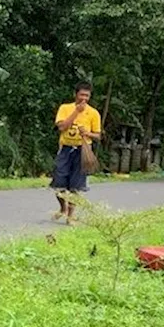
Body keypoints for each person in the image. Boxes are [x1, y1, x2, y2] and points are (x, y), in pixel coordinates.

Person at [51, 81, 102, 224]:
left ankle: (71, 215)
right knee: (59, 182)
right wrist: (76, 112)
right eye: (81, 95)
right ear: (76, 94)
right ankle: (63, 208)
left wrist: (88, 134)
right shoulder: (65, 108)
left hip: (83, 150)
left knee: (76, 185)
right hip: (66, 148)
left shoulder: (93, 113)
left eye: (87, 96)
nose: (84, 99)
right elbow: (62, 127)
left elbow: (98, 135)